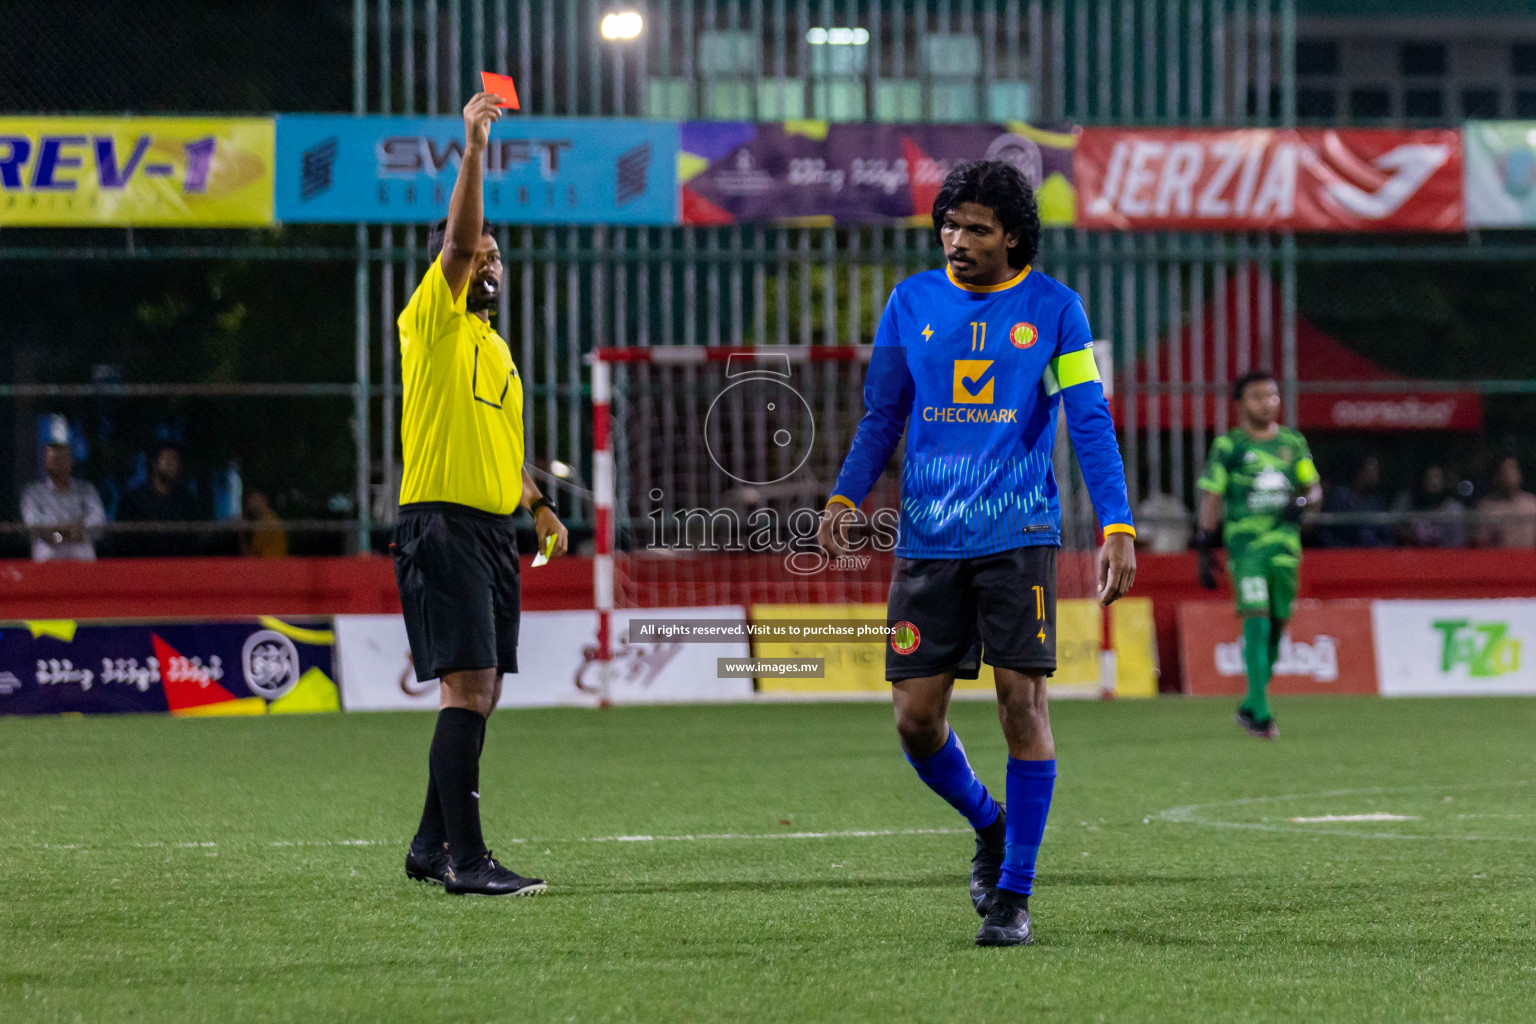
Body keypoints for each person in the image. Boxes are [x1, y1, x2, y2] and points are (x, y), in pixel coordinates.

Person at [820, 161, 1137, 948]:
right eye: (949, 227)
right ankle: (988, 822)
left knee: (1021, 707)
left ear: (1014, 237)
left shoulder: (1057, 311)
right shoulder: (910, 303)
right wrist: (844, 495)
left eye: (977, 229)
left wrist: (1118, 524)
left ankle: (1014, 895)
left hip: (1018, 537)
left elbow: (1089, 422)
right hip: (928, 541)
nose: (957, 242)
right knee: (914, 720)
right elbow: (882, 413)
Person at [395, 91, 569, 898]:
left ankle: (433, 846)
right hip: (441, 525)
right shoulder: (429, 321)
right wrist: (473, 149)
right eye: (480, 255)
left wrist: (536, 504)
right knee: (465, 688)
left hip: (496, 530)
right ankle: (469, 861)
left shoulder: (494, 348)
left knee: (484, 691)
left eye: (500, 257)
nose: (490, 263)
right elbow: (459, 239)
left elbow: (505, 444)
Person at [1195, 371, 1323, 740]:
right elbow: (1213, 493)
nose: (1266, 402)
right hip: (1245, 547)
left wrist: (1302, 503)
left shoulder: (1292, 443)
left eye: (1271, 395)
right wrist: (1205, 543)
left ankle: (1250, 705)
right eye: (1257, 396)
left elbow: (1313, 489)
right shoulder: (1230, 446)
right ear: (1240, 404)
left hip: (1285, 549)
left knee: (1278, 626)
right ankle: (1263, 715)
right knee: (1257, 619)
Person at [21, 415, 106, 563]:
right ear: (46, 461)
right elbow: (35, 527)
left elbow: (97, 524)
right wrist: (70, 532)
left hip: (82, 563)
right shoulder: (33, 493)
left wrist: (59, 532)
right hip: (47, 563)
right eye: (54, 458)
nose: (59, 462)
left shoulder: (86, 490)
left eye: (63, 457)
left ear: (71, 459)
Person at [117, 443, 200, 556]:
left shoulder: (187, 500)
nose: (171, 464)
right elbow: (123, 540)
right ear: (154, 463)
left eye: (175, 460)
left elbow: (194, 539)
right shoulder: (134, 500)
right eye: (166, 459)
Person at [1318, 454, 1393, 548]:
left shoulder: (1377, 502)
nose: (1376, 474)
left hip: (1375, 557)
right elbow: (1325, 533)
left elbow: (1388, 536)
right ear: (1360, 471)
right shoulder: (1339, 497)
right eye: (1372, 468)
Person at [1390, 465, 1467, 548]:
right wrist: (1409, 533)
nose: (1433, 482)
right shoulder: (1408, 500)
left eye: (1437, 477)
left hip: (1445, 554)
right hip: (1415, 552)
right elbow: (1395, 525)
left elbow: (1458, 542)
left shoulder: (1453, 507)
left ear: (1444, 481)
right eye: (1429, 478)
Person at [1474, 456, 1536, 548]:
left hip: (1529, 559)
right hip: (1500, 560)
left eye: (1512, 469)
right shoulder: (1487, 508)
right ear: (1497, 476)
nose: (1509, 475)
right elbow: (1480, 544)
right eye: (1504, 471)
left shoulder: (1532, 504)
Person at [239, 490, 289, 558]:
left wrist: (242, 534)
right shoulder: (265, 520)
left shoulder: (268, 522)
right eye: (249, 501)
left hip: (269, 565)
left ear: (263, 499)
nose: (250, 504)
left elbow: (252, 555)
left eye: (253, 499)